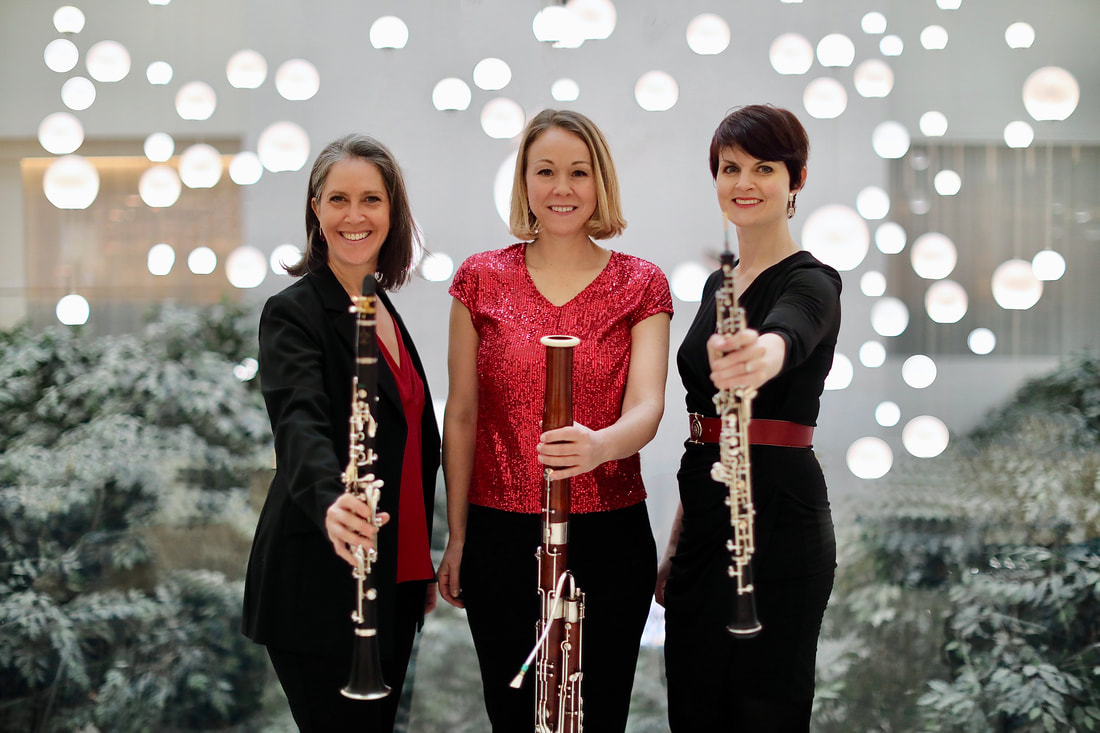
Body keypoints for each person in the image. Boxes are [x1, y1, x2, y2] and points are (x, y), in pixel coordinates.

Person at [437, 108, 672, 732]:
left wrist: (600, 447)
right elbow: (461, 416)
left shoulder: (641, 283)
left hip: (611, 536)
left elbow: (649, 407)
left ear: (601, 184)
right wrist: (457, 537)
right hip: (498, 536)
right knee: (515, 717)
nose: (562, 188)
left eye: (578, 172)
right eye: (545, 171)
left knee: (597, 719)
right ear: (524, 182)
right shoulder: (479, 280)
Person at [242, 134, 440, 732]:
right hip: (320, 582)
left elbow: (409, 446)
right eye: (338, 200)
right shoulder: (293, 311)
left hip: (393, 579)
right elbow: (298, 422)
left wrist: (416, 562)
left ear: (393, 212)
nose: (355, 216)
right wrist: (332, 503)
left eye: (372, 200)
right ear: (315, 210)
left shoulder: (382, 308)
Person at [657, 104, 841, 732]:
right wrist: (679, 539)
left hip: (781, 521)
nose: (744, 182)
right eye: (730, 168)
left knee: (764, 710)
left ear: (797, 180)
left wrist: (756, 357)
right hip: (708, 517)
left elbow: (786, 337)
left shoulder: (815, 281)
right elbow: (708, 424)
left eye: (765, 168)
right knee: (694, 706)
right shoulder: (719, 286)